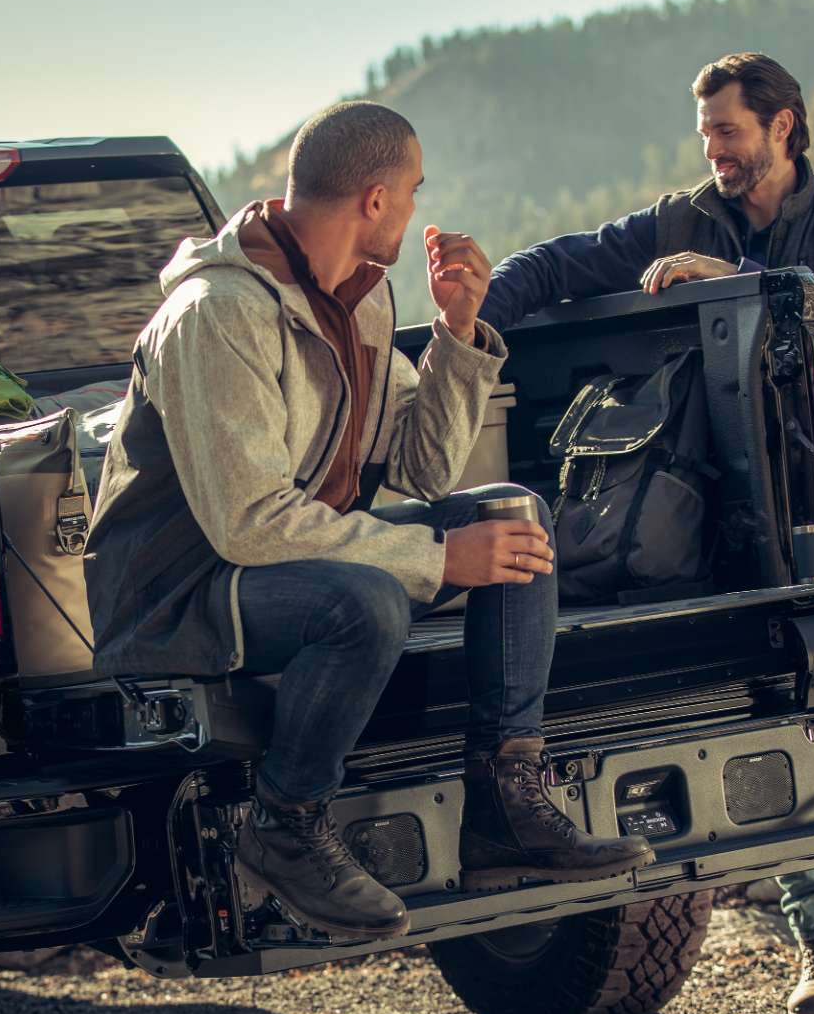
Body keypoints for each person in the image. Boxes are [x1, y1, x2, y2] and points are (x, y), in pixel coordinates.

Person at [479, 53, 814, 1014]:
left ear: (783, 125)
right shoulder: (674, 219)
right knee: (787, 721)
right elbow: (551, 265)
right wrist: (473, 325)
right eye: (704, 130)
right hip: (739, 528)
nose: (713, 148)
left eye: (729, 130)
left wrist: (736, 277)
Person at [84, 102, 655, 940]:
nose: (421, 208)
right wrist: (436, 559)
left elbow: (421, 468)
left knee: (514, 516)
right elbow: (247, 526)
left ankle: (506, 800)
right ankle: (284, 824)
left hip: (286, 564)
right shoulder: (216, 313)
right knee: (369, 602)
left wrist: (458, 331)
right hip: (181, 592)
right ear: (376, 199)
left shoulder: (362, 300)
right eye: (415, 191)